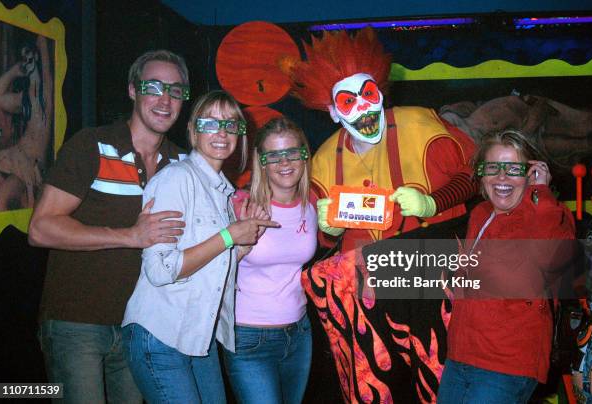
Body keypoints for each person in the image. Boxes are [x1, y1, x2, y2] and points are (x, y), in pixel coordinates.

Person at [284, 28, 477, 401]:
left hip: (430, 280)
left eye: (368, 94)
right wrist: (328, 230)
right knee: (375, 386)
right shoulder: (323, 160)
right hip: (367, 298)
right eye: (348, 100)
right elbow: (319, 239)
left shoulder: (421, 125)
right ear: (332, 111)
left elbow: (475, 173)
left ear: (380, 91)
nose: (364, 109)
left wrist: (434, 202)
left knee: (441, 380)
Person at [28, 49, 191, 403]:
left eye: (176, 90)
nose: (165, 99)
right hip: (77, 324)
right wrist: (131, 236)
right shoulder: (92, 145)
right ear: (133, 90)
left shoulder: (180, 162)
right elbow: (41, 229)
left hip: (141, 328)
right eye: (154, 86)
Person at [121, 90, 280, 403]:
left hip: (198, 337)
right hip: (160, 335)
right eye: (211, 123)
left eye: (231, 125)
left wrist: (244, 243)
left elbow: (210, 262)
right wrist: (230, 236)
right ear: (193, 131)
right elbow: (161, 269)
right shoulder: (176, 179)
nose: (222, 132)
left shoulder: (223, 191)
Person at [438, 129, 576, 403]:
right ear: (481, 174)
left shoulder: (546, 214)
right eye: (493, 167)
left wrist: (542, 193)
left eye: (513, 168)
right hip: (461, 356)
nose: (502, 177)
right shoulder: (480, 214)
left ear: (531, 172)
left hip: (506, 365)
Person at [223, 117, 317, 404]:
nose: (284, 162)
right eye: (273, 155)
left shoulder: (311, 203)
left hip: (299, 334)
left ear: (304, 155)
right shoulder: (241, 204)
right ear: (261, 162)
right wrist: (242, 246)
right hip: (249, 338)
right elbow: (211, 269)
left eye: (291, 152)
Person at [0, 35, 53, 210]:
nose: (27, 61)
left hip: (28, 164)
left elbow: (47, 76)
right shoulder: (24, 100)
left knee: (2, 200)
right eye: (24, 58)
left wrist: (42, 46)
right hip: (14, 156)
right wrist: (14, 71)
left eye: (29, 56)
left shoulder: (45, 96)